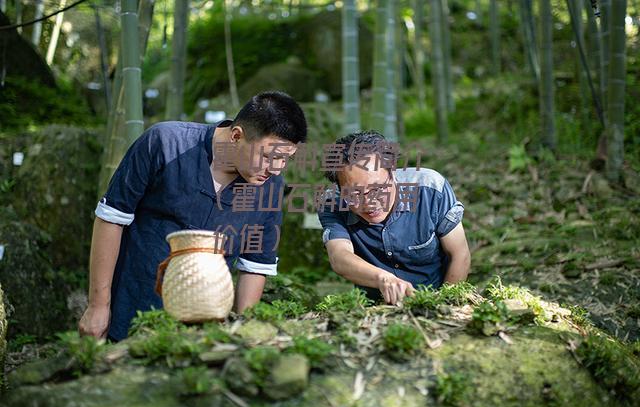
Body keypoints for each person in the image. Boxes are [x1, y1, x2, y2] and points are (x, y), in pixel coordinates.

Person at [79, 91, 307, 341]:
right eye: (268, 156)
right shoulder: (165, 143)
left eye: (286, 159)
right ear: (236, 136)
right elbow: (111, 218)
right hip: (130, 309)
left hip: (203, 330)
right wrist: (98, 305)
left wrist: (244, 332)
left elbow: (255, 265)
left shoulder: (271, 186)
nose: (276, 168)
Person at [317, 131, 470, 305]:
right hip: (374, 309)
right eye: (354, 194)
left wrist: (443, 305)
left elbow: (459, 254)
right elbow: (339, 257)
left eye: (377, 189)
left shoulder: (430, 189)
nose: (369, 203)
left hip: (435, 298)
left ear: (393, 173)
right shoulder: (332, 203)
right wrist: (383, 278)